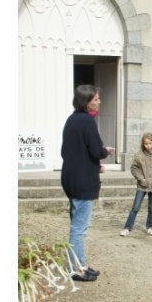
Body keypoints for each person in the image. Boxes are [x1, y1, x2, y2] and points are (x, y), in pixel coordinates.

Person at [60, 84, 115, 282]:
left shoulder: (72, 120)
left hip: (71, 177)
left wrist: (93, 166)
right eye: (96, 99)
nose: (99, 101)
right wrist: (105, 152)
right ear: (86, 101)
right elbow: (95, 151)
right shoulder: (87, 122)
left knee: (78, 224)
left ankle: (81, 264)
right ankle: (76, 269)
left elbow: (67, 152)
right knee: (79, 228)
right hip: (82, 181)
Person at [120, 132, 152, 237]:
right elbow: (134, 168)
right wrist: (141, 179)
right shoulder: (139, 155)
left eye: (150, 143)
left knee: (151, 208)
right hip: (142, 186)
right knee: (135, 207)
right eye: (146, 144)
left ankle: (150, 227)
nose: (148, 146)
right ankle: (127, 227)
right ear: (143, 144)